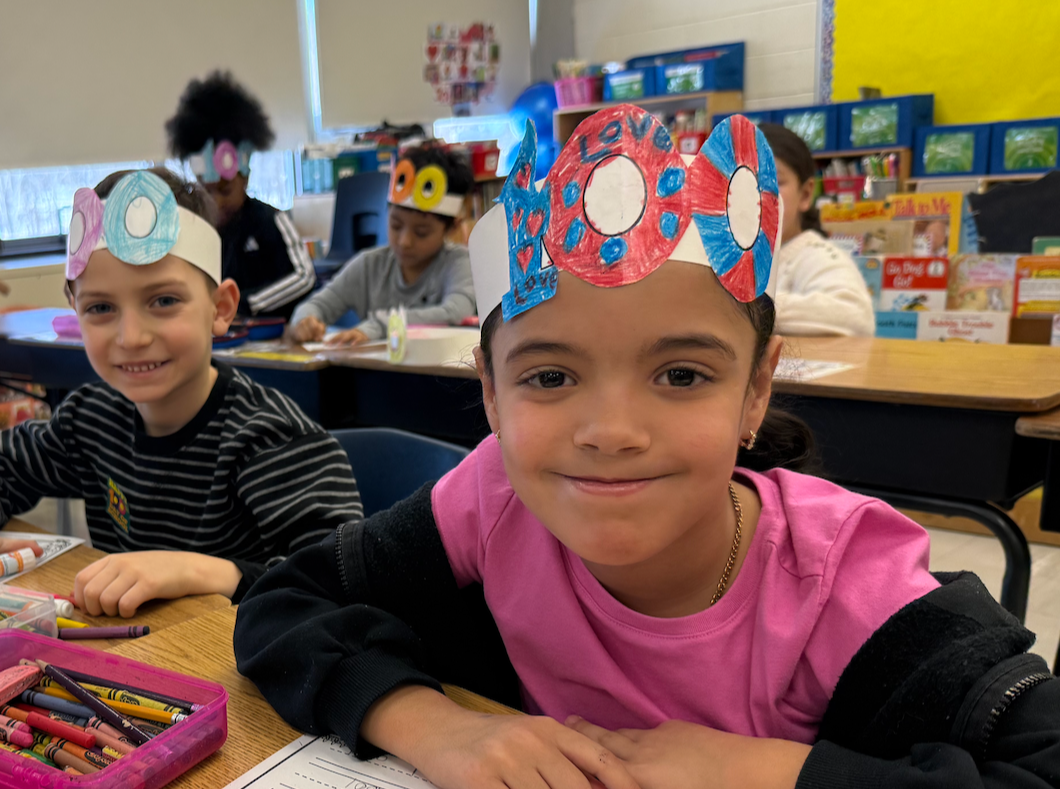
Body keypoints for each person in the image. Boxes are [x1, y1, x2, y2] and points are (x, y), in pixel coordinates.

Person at [236, 112, 1059, 788]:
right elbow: (285, 603)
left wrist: (776, 771)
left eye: (681, 373)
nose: (612, 430)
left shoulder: (843, 584)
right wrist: (434, 726)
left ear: (756, 389)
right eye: (551, 375)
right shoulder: (494, 498)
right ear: (489, 389)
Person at [0, 168, 362, 616]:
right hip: (137, 651)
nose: (131, 337)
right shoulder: (92, 419)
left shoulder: (270, 436)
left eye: (163, 301)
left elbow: (341, 576)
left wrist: (202, 572)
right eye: (101, 308)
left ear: (220, 308)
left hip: (242, 666)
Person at [288, 141, 477, 347]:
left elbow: (457, 312)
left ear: (451, 228)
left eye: (421, 232)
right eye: (396, 226)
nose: (405, 242)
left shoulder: (458, 263)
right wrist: (305, 322)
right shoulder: (370, 264)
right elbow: (316, 305)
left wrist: (380, 325)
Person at [166, 71, 315, 321]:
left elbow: (303, 276)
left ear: (244, 179)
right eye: (206, 191)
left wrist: (242, 304)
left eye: (225, 191)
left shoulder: (269, 220)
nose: (216, 202)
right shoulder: (195, 229)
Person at [759, 123, 875, 336]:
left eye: (773, 181)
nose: (758, 195)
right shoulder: (722, 258)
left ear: (805, 194)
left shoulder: (816, 256)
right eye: (742, 180)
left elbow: (856, 316)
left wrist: (746, 308)